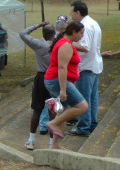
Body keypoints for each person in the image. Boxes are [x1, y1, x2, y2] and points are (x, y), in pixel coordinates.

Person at [44, 21, 88, 149]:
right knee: (82, 106)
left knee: (63, 111)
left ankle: (55, 145)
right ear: (73, 32)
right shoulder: (65, 45)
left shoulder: (67, 43)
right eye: (81, 33)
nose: (81, 36)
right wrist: (63, 90)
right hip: (57, 81)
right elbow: (62, 68)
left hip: (56, 81)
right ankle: (53, 123)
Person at [67, 1, 103, 137]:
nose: (71, 15)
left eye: (72, 12)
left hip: (86, 66)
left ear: (78, 13)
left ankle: (83, 127)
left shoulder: (85, 26)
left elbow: (86, 47)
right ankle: (91, 124)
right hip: (94, 65)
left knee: (83, 99)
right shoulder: (93, 23)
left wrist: (67, 41)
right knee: (92, 97)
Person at [20, 21, 56, 150]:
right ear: (54, 33)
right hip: (54, 79)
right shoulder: (59, 45)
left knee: (37, 110)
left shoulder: (39, 45)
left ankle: (31, 140)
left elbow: (23, 33)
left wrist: (38, 25)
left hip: (41, 78)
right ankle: (52, 143)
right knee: (53, 111)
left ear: (44, 34)